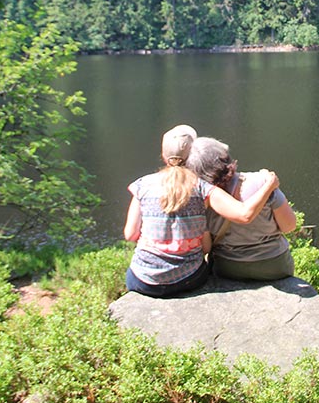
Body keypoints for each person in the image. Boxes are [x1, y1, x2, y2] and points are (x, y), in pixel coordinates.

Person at [123, 124, 280, 297]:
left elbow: (130, 235)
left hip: (143, 281)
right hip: (190, 279)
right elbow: (244, 215)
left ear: (163, 155)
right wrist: (269, 185)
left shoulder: (141, 185)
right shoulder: (203, 188)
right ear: (192, 155)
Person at [186, 136, 297, 281]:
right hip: (275, 265)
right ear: (224, 158)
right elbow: (289, 226)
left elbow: (205, 247)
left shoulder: (199, 198)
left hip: (227, 268)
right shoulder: (262, 182)